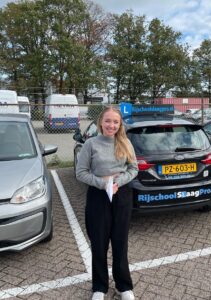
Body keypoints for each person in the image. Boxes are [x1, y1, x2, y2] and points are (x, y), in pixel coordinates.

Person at [76, 106, 138, 300]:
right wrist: (104, 184)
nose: (111, 125)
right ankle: (99, 287)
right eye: (108, 121)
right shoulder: (91, 144)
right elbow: (81, 173)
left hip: (121, 196)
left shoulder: (126, 142)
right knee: (99, 243)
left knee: (120, 242)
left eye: (115, 122)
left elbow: (133, 168)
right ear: (100, 122)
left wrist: (117, 181)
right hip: (98, 197)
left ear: (120, 125)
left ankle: (123, 286)